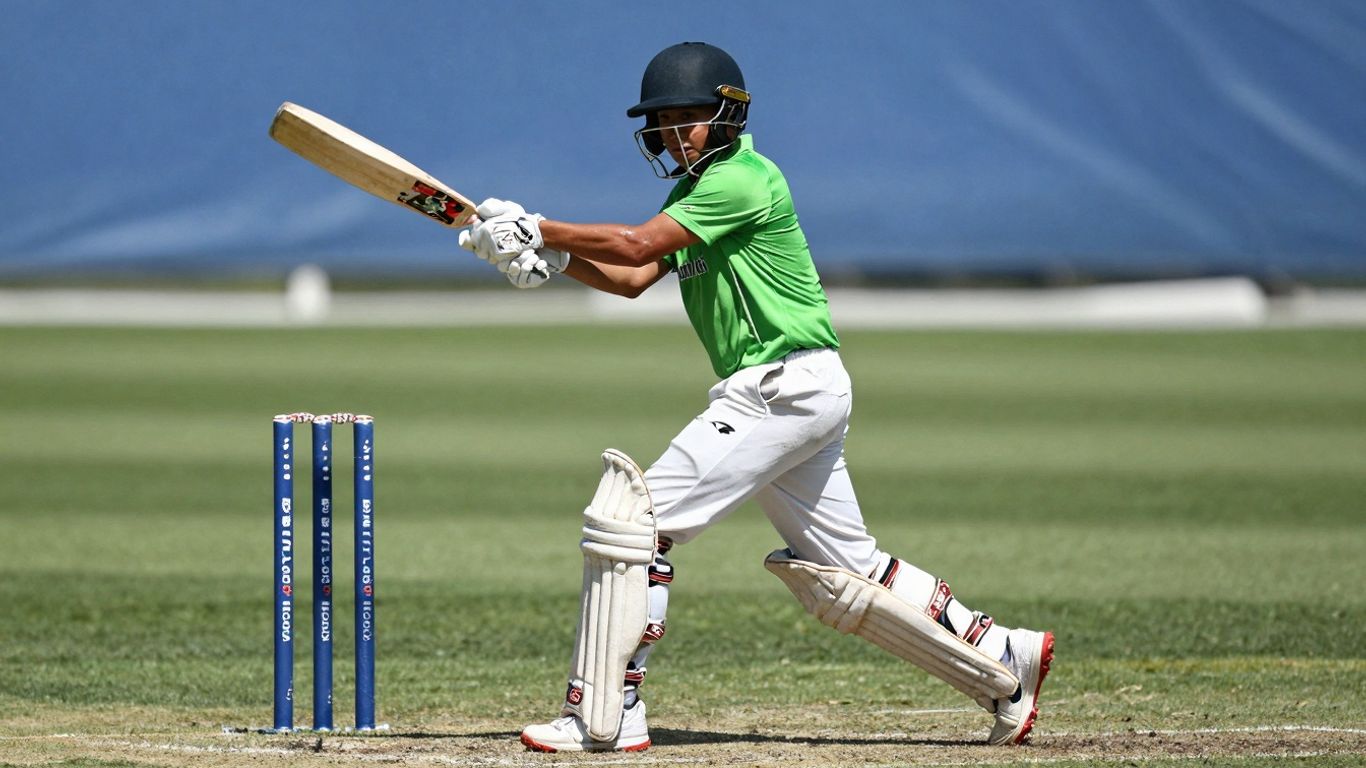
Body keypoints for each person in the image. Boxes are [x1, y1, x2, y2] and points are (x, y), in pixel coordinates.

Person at [459, 41, 1054, 753]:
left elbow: (634, 243)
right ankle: (1004, 660)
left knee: (631, 523)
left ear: (728, 116)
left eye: (689, 118)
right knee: (849, 571)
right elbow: (629, 276)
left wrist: (540, 227)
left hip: (777, 385)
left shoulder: (741, 179)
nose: (674, 133)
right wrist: (554, 259)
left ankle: (606, 714)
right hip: (803, 388)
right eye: (664, 121)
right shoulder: (693, 193)